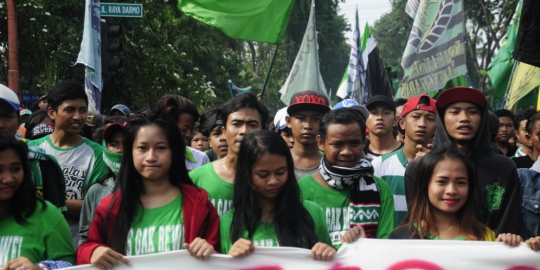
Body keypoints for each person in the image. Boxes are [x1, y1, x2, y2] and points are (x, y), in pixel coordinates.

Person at [76, 112, 219, 268]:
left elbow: (220, 256)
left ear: (175, 151)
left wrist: (210, 253)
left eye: (161, 148)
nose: (151, 157)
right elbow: (84, 250)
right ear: (131, 153)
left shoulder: (199, 203)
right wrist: (93, 252)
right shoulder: (111, 206)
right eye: (142, 148)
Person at [404, 87, 521, 235]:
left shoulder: (504, 168)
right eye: (455, 111)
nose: (464, 118)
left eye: (472, 111)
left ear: (483, 117)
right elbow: (418, 222)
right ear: (442, 118)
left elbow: (508, 226)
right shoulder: (418, 168)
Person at [220, 130, 335, 261]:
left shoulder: (312, 212)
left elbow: (333, 262)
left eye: (281, 172)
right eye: (263, 175)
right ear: (246, 174)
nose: (273, 181)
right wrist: (231, 259)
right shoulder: (229, 222)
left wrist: (327, 252)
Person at [298, 108, 395, 249]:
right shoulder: (301, 190)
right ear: (320, 143)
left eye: (354, 144)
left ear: (363, 141)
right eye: (337, 144)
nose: (347, 152)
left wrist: (364, 245)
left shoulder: (381, 190)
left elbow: (385, 246)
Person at [27, 82, 109, 247]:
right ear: (52, 112)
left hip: (75, 248)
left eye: (83, 110)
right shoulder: (31, 149)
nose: (78, 117)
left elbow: (97, 206)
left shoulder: (97, 154)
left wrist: (45, 198)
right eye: (70, 110)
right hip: (34, 244)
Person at [391, 147, 523, 248]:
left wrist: (512, 247)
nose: (452, 191)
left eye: (460, 182)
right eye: (442, 182)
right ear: (425, 185)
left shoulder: (486, 236)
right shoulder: (401, 238)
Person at [0, 131, 74, 270]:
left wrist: (41, 268)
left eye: (16, 169)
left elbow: (70, 266)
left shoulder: (47, 215)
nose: (8, 179)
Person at [189, 93, 269, 217]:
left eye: (252, 125)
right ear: (224, 131)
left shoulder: (271, 182)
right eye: (236, 124)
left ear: (263, 131)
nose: (244, 131)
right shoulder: (196, 179)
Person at [372, 94, 437, 227]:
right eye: (416, 117)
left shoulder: (442, 166)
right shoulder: (379, 165)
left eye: (430, 119)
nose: (422, 124)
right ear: (402, 123)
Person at [78, 118, 128, 245]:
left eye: (126, 144)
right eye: (113, 144)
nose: (120, 150)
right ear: (105, 148)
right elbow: (85, 236)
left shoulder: (150, 189)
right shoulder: (96, 190)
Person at [156, 94, 209, 171]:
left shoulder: (201, 159)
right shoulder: (149, 159)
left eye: (191, 128)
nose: (189, 134)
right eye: (184, 129)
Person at [286, 91, 330, 180]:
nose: (308, 126)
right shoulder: (277, 162)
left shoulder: (333, 166)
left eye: (315, 119)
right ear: (289, 121)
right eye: (301, 118)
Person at [364, 95, 403, 161]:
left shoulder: (407, 153)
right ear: (365, 120)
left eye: (386, 113)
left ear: (395, 120)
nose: (380, 117)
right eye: (374, 113)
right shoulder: (359, 157)